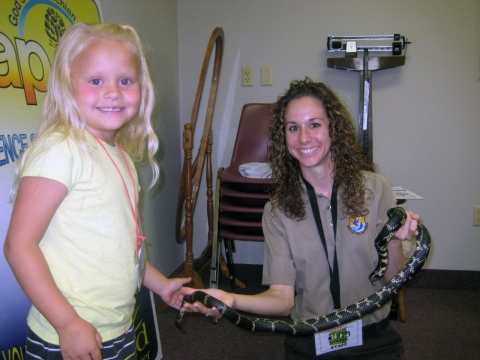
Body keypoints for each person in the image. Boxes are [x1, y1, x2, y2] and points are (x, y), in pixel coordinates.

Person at [182, 78, 420, 359]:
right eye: (293, 128)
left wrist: (395, 243)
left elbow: (395, 281)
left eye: (314, 124)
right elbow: (282, 300)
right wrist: (231, 299)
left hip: (372, 339)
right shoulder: (278, 209)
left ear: (334, 129)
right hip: (311, 341)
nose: (304, 138)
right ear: (284, 137)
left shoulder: (377, 189)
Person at [3, 22, 190, 360]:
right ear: (67, 86)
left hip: (115, 327)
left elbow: (123, 245)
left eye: (125, 80)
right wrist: (67, 322)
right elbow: (19, 245)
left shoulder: (120, 157)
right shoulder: (61, 149)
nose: (113, 92)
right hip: (67, 335)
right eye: (95, 81)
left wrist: (161, 284)